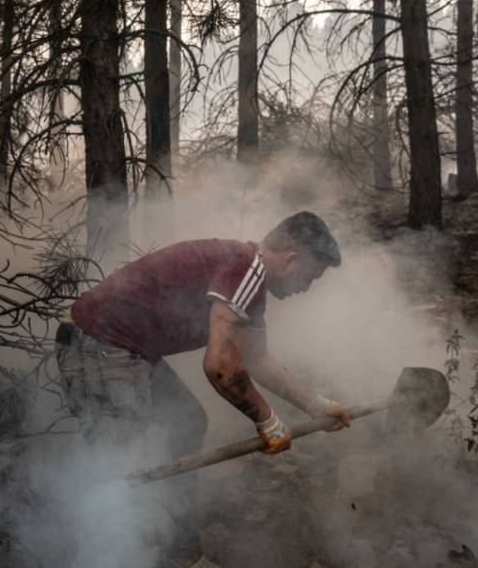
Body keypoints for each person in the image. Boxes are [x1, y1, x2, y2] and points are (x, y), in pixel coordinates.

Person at [55, 211, 351, 568]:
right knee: (119, 463)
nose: (307, 287)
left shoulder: (250, 283)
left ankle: (179, 551)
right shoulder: (246, 269)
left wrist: (317, 405)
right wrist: (267, 420)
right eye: (312, 275)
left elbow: (257, 360)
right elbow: (221, 368)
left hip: (130, 350)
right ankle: (106, 554)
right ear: (292, 257)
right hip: (98, 342)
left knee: (188, 422)